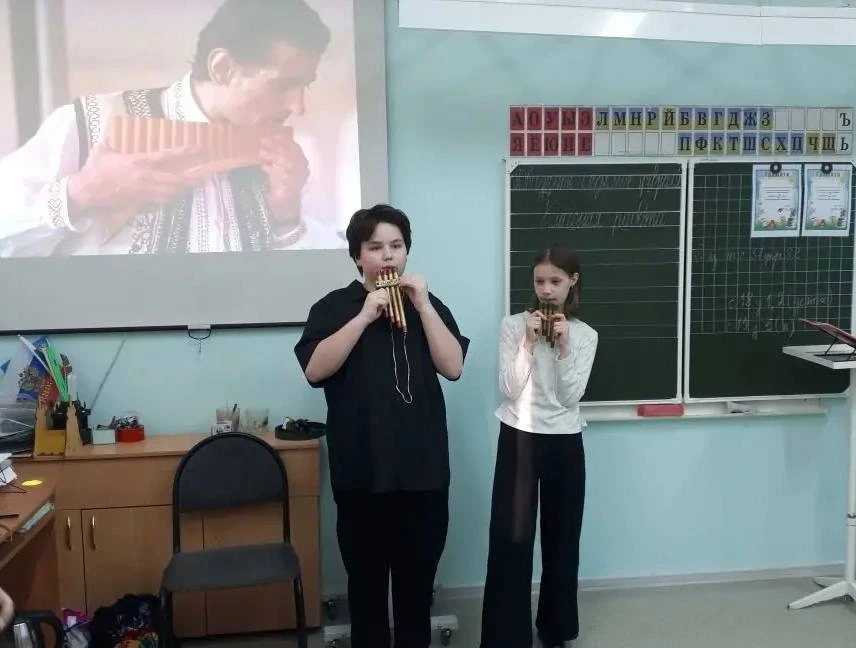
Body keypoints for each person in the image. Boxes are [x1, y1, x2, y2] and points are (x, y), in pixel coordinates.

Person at [0, 0, 344, 256]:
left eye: (305, 86)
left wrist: (287, 216)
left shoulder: (289, 159)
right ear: (223, 68)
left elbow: (330, 280)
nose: (297, 107)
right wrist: (82, 192)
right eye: (283, 85)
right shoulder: (87, 124)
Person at [294, 204, 469, 648]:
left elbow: (453, 367)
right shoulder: (333, 307)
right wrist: (364, 316)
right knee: (367, 590)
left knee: (416, 591)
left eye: (397, 246)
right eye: (375, 247)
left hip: (423, 473)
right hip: (362, 474)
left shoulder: (428, 306)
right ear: (358, 256)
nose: (388, 256)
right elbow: (315, 370)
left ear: (407, 252)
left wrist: (423, 305)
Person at [480, 245, 598, 648]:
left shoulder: (586, 335)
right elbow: (510, 389)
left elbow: (570, 397)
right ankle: (505, 636)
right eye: (539, 281)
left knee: (563, 539)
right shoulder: (513, 326)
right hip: (519, 436)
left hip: (565, 439)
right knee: (511, 538)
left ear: (572, 282)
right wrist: (528, 345)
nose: (546, 290)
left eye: (555, 281)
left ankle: (556, 629)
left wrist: (563, 348)